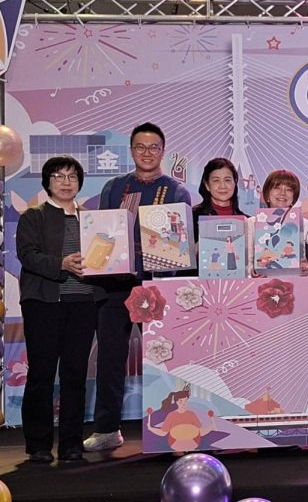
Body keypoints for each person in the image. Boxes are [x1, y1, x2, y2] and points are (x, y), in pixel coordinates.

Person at [86, 123, 191, 452]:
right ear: (131, 150)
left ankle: (176, 428)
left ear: (163, 151)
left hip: (157, 287)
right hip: (115, 287)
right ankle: (107, 429)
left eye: (154, 147)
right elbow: (102, 233)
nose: (147, 153)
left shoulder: (176, 191)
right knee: (110, 359)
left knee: (165, 360)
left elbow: (179, 248)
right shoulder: (115, 187)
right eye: (141, 147)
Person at [16, 156, 105, 463]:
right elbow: (28, 255)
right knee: (41, 373)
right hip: (44, 304)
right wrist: (61, 264)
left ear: (80, 182)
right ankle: (38, 445)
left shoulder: (91, 220)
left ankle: (71, 444)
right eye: (59, 176)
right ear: (48, 182)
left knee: (75, 374)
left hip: (83, 304)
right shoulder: (34, 216)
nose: (66, 182)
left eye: (72, 176)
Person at [249, 169, 308, 276]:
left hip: (296, 281)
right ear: (267, 194)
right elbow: (247, 262)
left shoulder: (305, 224)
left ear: (294, 197)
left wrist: (306, 267)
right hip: (261, 282)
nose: (283, 193)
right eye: (277, 188)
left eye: (289, 189)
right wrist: (252, 272)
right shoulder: (252, 223)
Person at [145, 384, 215, 452]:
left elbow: (200, 432)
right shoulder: (171, 415)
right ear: (176, 402)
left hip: (192, 442)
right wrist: (151, 428)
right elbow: (163, 432)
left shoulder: (191, 414)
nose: (183, 403)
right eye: (180, 401)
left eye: (185, 401)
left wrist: (211, 427)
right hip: (175, 443)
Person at [191, 158, 245, 229]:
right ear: (207, 185)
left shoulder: (247, 222)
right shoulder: (192, 217)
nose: (222, 186)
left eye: (227, 180)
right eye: (216, 180)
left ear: (235, 183)